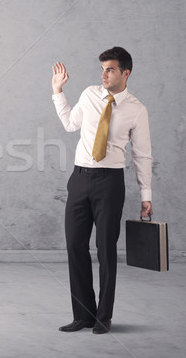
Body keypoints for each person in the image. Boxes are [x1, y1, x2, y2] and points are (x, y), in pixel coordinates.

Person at [51, 46, 153, 335]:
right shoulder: (90, 94)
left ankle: (103, 317)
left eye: (110, 69)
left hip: (110, 182)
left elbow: (142, 155)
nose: (104, 74)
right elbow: (71, 124)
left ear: (125, 73)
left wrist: (146, 196)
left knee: (106, 250)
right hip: (80, 178)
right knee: (74, 246)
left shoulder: (136, 109)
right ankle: (83, 315)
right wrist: (58, 92)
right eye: (102, 69)